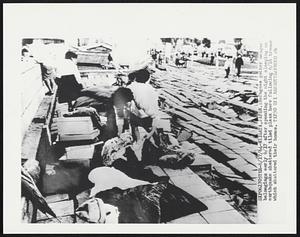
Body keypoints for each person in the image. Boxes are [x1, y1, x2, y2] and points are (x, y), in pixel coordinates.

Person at [127, 68, 160, 145]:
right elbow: (155, 107)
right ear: (147, 79)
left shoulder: (131, 87)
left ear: (135, 78)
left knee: (133, 122)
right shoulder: (151, 88)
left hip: (138, 116)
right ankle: (157, 142)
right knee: (152, 130)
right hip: (151, 116)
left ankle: (137, 140)